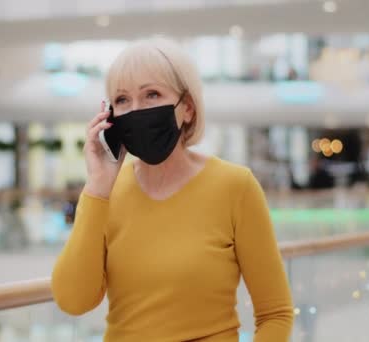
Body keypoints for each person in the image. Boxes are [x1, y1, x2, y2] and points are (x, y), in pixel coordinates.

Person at [51, 38, 294, 342]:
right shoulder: (106, 192)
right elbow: (73, 300)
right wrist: (98, 187)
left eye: (151, 94)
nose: (136, 109)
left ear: (188, 108)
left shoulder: (235, 187)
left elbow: (276, 314)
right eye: (123, 100)